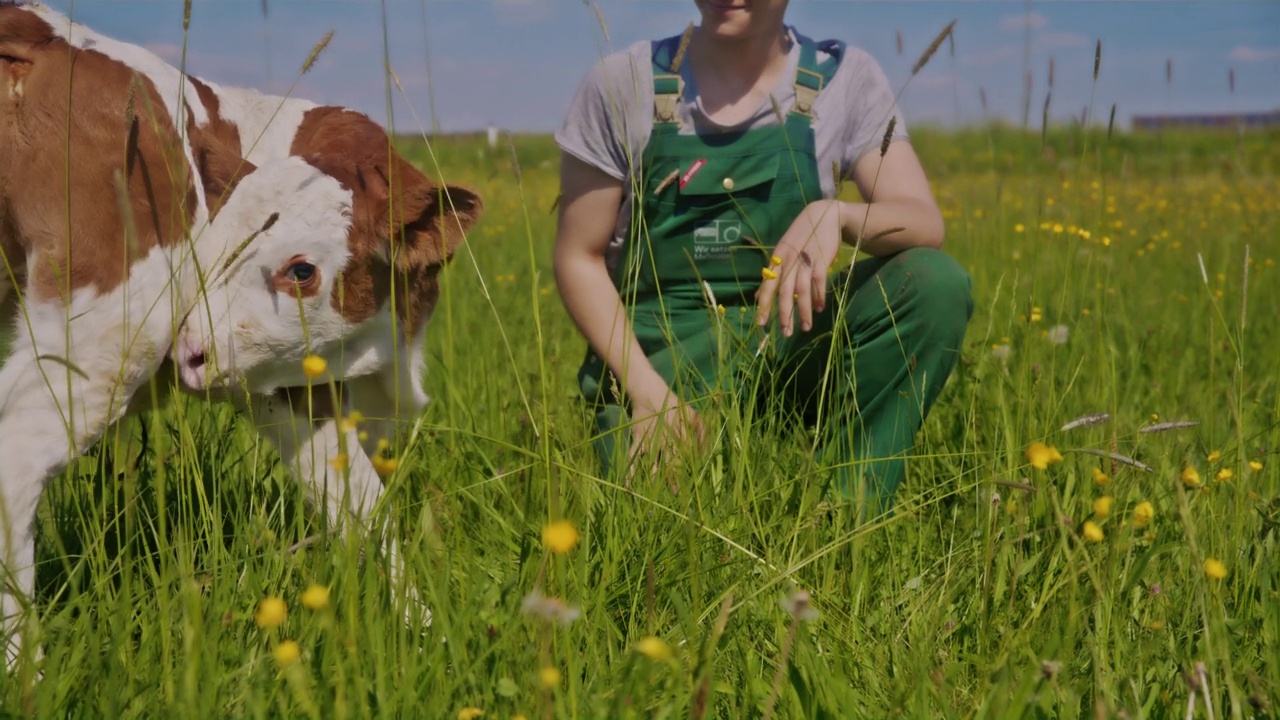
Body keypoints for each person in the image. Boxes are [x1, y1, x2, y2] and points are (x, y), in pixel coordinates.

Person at [553, 0, 972, 512]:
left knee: (933, 284)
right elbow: (579, 257)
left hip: (786, 343)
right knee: (646, 528)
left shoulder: (844, 80)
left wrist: (836, 215)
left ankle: (843, 518)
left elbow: (923, 221)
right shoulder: (622, 84)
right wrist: (647, 394)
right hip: (657, 362)